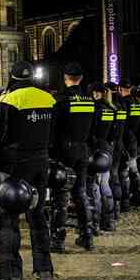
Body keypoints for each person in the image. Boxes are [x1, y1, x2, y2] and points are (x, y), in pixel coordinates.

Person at [0, 61, 55, 280]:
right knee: (38, 216)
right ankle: (44, 269)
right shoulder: (48, 98)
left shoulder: (10, 100)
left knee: (8, 219)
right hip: (41, 164)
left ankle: (11, 273)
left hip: (15, 166)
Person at [50, 62, 96, 252]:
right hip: (83, 150)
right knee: (80, 193)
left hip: (65, 151)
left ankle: (58, 238)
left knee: (61, 196)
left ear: (65, 77)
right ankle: (87, 236)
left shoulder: (62, 100)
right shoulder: (89, 100)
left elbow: (54, 129)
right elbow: (92, 128)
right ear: (81, 79)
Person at [87, 83, 116, 233]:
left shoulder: (95, 109)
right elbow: (113, 134)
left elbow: (90, 131)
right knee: (105, 184)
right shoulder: (112, 109)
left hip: (96, 151)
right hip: (108, 150)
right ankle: (110, 220)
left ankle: (96, 223)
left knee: (95, 188)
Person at [119, 81, 140, 209]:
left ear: (121, 89)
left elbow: (122, 125)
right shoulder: (138, 104)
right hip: (135, 140)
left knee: (124, 172)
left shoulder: (124, 103)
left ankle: (125, 202)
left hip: (126, 141)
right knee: (134, 171)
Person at [108, 82, 127, 226]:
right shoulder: (122, 106)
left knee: (111, 178)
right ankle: (120, 205)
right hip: (120, 144)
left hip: (111, 146)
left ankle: (112, 212)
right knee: (118, 175)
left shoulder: (110, 108)